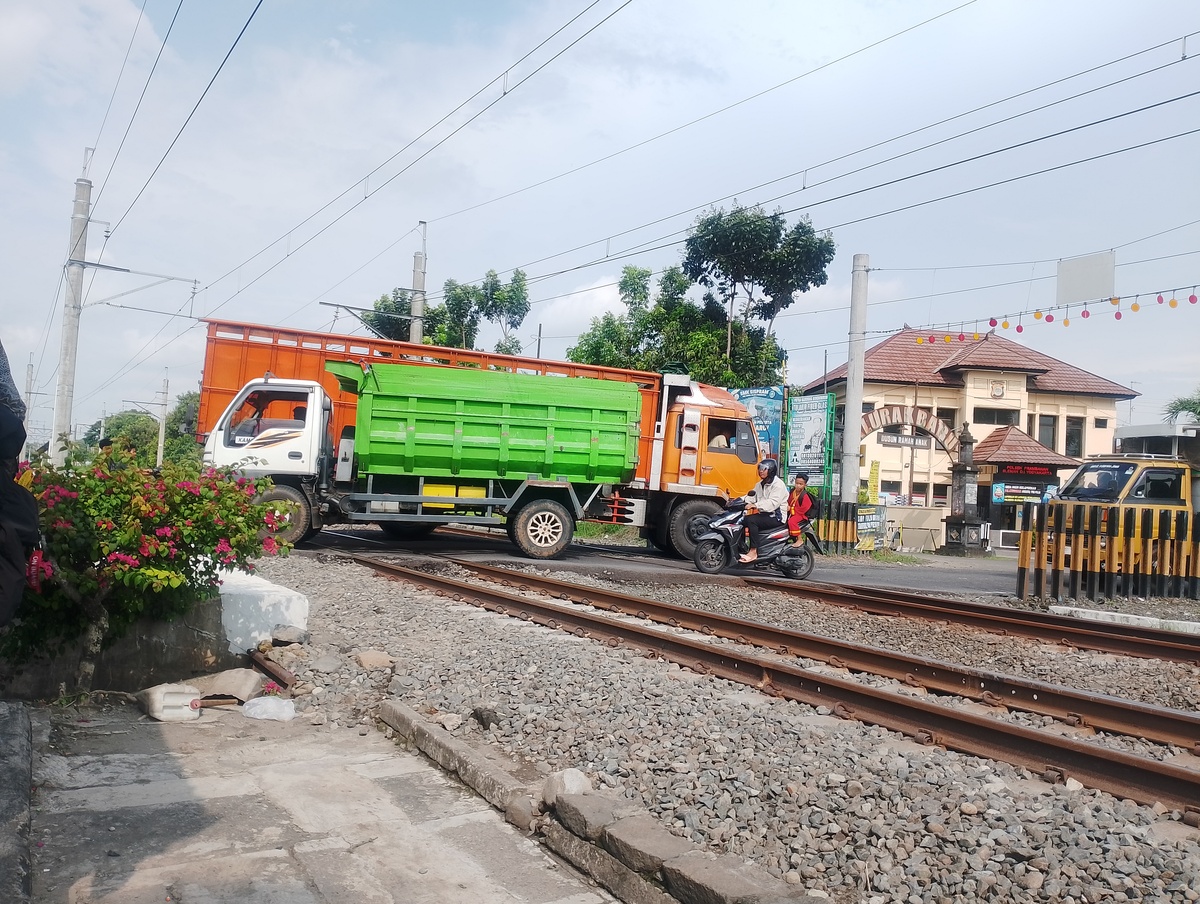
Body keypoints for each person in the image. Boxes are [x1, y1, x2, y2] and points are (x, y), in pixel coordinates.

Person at [737, 458, 788, 564]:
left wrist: (755, 505)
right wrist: (737, 501)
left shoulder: (778, 485)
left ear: (771, 470)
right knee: (741, 519)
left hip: (776, 516)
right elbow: (751, 497)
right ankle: (741, 547)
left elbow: (772, 503)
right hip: (765, 514)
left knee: (751, 520)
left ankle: (753, 551)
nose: (761, 471)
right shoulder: (760, 484)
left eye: (764, 469)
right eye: (760, 468)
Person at [787, 473, 814, 545]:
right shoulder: (792, 492)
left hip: (801, 515)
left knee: (792, 521)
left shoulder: (805, 495)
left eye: (800, 484)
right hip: (791, 512)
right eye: (796, 483)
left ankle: (799, 539)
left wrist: (791, 509)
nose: (798, 485)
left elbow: (804, 509)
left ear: (805, 485)